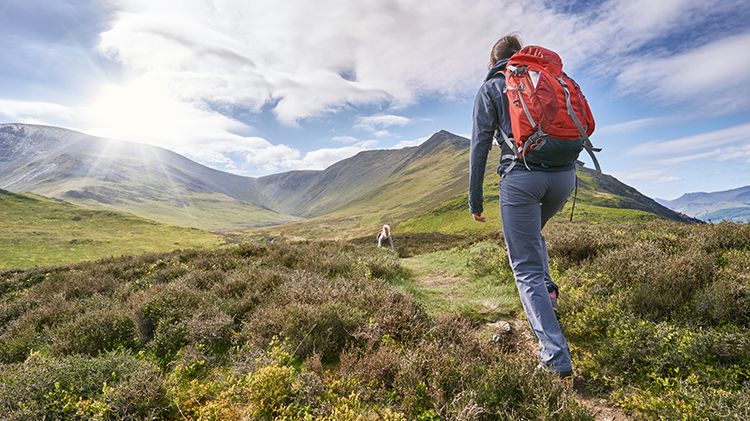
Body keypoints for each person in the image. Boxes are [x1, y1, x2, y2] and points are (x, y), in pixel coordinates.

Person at [468, 34, 575, 379]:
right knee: (532, 238)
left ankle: (554, 357)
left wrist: (475, 200)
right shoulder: (544, 79)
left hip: (522, 179)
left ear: (493, 61)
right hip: (564, 177)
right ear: (521, 57)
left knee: (524, 266)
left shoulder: (491, 88)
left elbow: (480, 147)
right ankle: (548, 289)